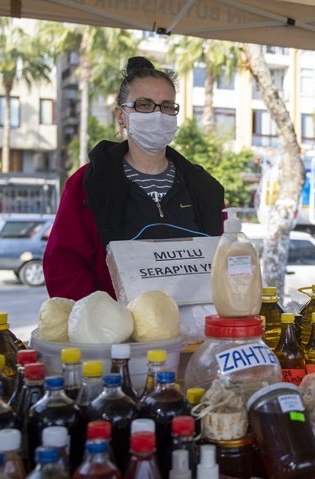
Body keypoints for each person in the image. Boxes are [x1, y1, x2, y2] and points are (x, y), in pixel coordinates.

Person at [43, 57, 225, 300]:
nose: (158, 114)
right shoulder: (88, 184)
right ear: (121, 115)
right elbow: (63, 264)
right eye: (144, 105)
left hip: (195, 329)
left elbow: (226, 257)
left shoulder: (204, 187)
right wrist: (101, 317)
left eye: (167, 106)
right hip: (115, 331)